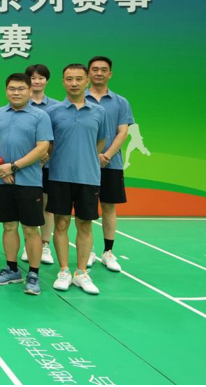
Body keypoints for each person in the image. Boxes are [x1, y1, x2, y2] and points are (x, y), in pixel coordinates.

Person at [0, 73, 52, 296]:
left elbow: (42, 147)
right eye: (12, 88)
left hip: (29, 182)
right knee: (9, 226)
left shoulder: (40, 116)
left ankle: (33, 274)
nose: (16, 92)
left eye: (21, 89)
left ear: (30, 91)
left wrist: (13, 167)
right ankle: (12, 269)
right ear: (6, 91)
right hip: (2, 180)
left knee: (31, 229)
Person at [48, 64, 107, 295]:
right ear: (63, 82)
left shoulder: (99, 112)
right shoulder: (52, 112)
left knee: (85, 224)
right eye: (69, 79)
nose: (74, 83)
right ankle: (64, 271)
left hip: (88, 177)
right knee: (61, 224)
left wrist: (86, 158)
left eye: (79, 79)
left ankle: (81, 272)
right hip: (59, 176)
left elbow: (100, 141)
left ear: (87, 81)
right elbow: (48, 145)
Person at [85, 56, 134, 273]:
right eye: (95, 69)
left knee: (108, 207)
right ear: (88, 73)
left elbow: (123, 132)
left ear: (110, 74)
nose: (99, 73)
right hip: (85, 164)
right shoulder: (80, 99)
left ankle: (108, 252)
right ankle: (88, 250)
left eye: (103, 70)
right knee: (86, 209)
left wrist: (105, 155)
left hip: (111, 164)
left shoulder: (121, 102)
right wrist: (93, 156)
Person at [22, 64, 58, 266]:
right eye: (32, 78)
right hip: (25, 166)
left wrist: (45, 156)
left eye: (40, 78)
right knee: (27, 207)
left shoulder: (55, 107)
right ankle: (28, 245)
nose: (36, 81)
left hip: (48, 165)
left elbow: (57, 136)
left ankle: (45, 245)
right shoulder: (19, 103)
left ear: (47, 80)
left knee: (46, 206)